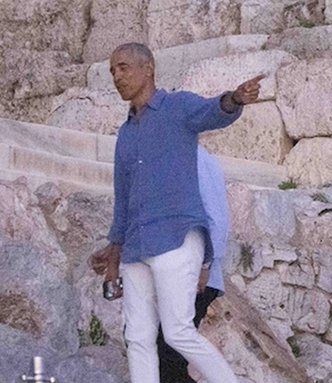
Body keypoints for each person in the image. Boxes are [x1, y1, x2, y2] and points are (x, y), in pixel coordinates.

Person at [92, 42, 262, 383]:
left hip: (177, 238)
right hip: (137, 247)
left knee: (178, 333)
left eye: (123, 67)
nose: (117, 76)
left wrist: (236, 98)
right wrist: (114, 252)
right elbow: (122, 200)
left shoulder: (177, 106)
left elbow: (214, 110)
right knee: (137, 338)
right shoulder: (125, 134)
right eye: (112, 70)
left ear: (149, 68)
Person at [91, 145, 231, 383]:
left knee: (169, 355)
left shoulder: (196, 158)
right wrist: (113, 251)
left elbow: (217, 219)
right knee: (149, 347)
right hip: (161, 271)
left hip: (193, 273)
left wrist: (204, 266)